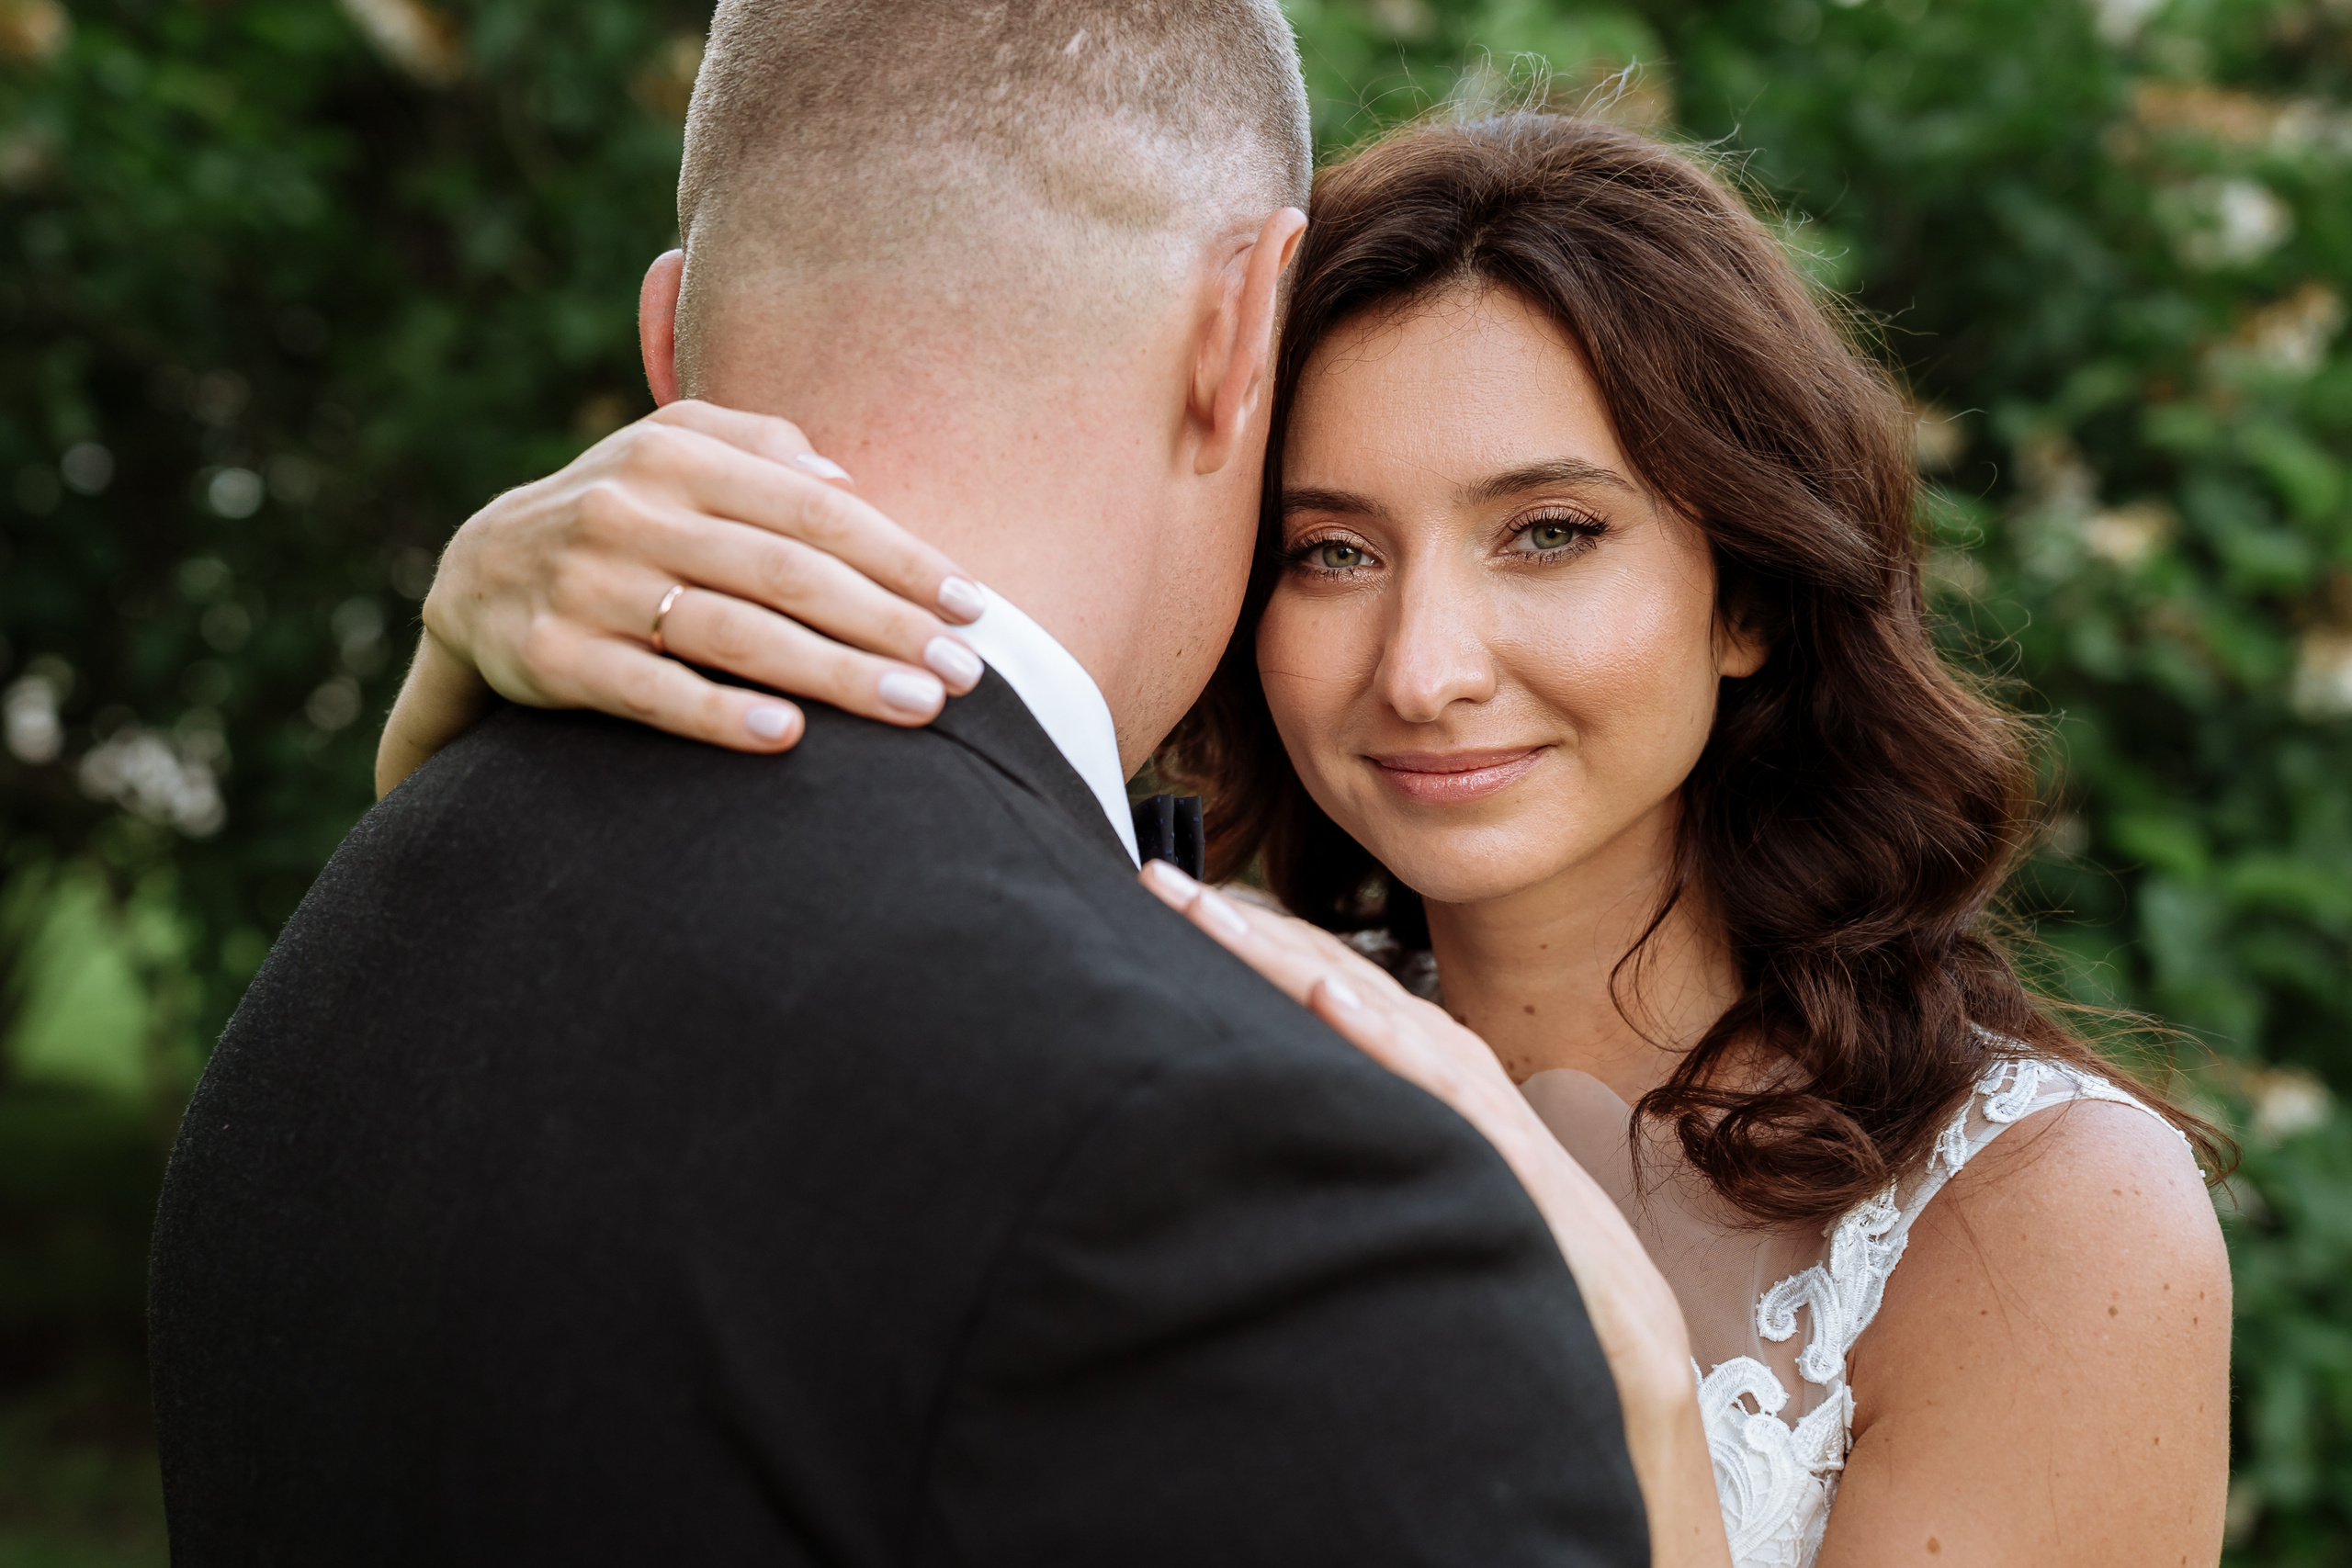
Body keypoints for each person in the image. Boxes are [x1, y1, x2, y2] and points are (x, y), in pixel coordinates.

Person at [386, 106, 2238, 1568]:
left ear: (1742, 590)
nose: (1422, 669)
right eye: (1328, 550)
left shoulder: (2041, 1221)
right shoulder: (1166, 1026)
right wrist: (454, 672)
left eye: (1548, 532)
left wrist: (1640, 1410)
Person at [144, 5, 1653, 1565]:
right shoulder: (1220, 1155)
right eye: (1335, 547)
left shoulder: (371, 920)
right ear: (1244, 332)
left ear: (668, 344)